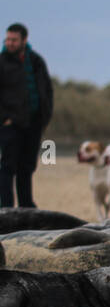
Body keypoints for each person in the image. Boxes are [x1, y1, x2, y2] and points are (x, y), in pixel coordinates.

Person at [0, 23, 53, 208]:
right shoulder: (2, 61)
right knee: (7, 167)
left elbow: (47, 89)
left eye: (13, 40)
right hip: (10, 124)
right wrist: (4, 119)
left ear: (24, 40)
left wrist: (45, 115)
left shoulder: (36, 61)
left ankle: (26, 206)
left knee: (27, 167)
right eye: (7, 39)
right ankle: (5, 207)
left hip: (34, 123)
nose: (9, 43)